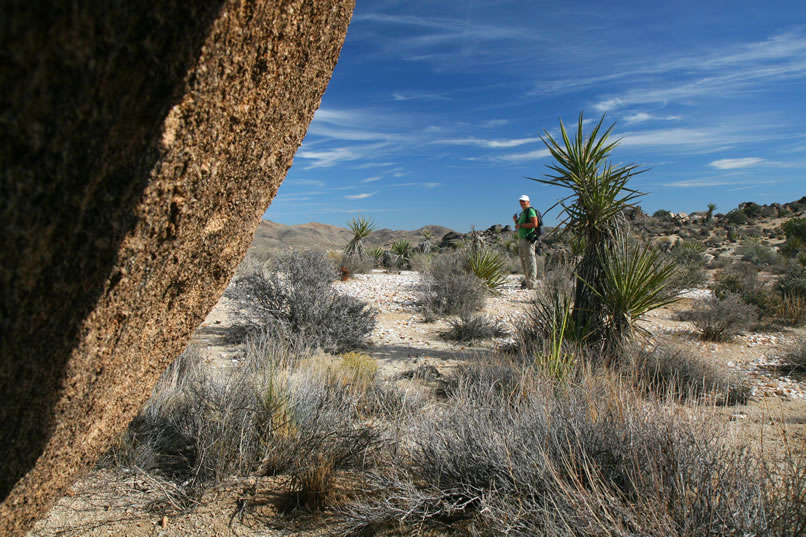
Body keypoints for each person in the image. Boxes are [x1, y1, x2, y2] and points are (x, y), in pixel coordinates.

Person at [513, 194, 539, 289]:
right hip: (522, 238)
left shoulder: (530, 211)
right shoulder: (523, 212)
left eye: (524, 201)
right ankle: (528, 282)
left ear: (528, 201)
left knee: (530, 260)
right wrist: (516, 222)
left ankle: (532, 283)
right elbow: (521, 225)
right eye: (521, 201)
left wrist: (521, 225)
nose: (522, 203)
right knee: (524, 260)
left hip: (528, 239)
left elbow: (534, 224)